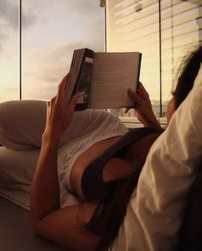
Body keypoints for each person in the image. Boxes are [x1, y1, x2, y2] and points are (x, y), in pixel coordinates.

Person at [31, 46, 202, 251]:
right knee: (4, 118)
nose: (169, 101)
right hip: (107, 127)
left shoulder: (136, 201)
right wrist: (149, 118)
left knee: (4, 123)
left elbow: (44, 219)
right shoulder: (174, 154)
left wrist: (51, 135)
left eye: (174, 95)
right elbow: (168, 148)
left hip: (64, 150)